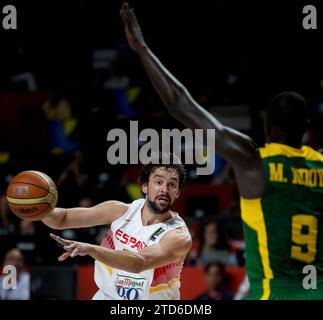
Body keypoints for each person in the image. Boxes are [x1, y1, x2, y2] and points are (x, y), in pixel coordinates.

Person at [120, 2, 323, 299]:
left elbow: (181, 104)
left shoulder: (253, 160)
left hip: (272, 293)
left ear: (267, 126)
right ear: (306, 126)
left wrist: (142, 49)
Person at [43, 152, 192, 300]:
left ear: (177, 193)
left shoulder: (178, 236)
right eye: (158, 182)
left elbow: (139, 263)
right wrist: (40, 210)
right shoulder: (120, 211)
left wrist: (91, 249)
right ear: (145, 186)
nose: (164, 190)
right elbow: (62, 218)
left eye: (172, 185)